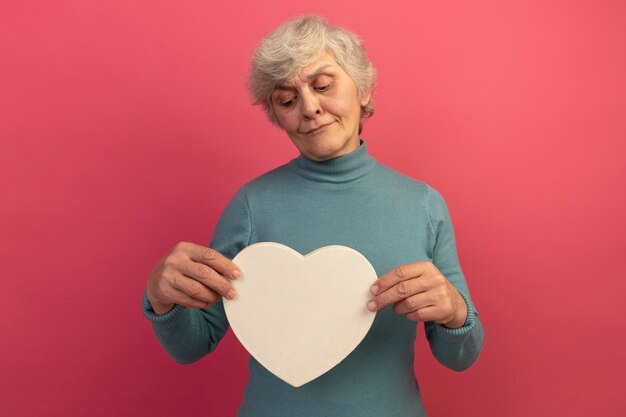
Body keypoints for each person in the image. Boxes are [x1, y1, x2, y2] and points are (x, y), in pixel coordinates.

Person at [143, 14, 484, 417]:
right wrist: (160, 300)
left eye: (323, 85)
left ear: (363, 88)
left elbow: (460, 355)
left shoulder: (423, 205)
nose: (309, 108)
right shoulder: (252, 205)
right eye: (287, 100)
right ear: (276, 115)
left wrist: (454, 313)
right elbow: (192, 345)